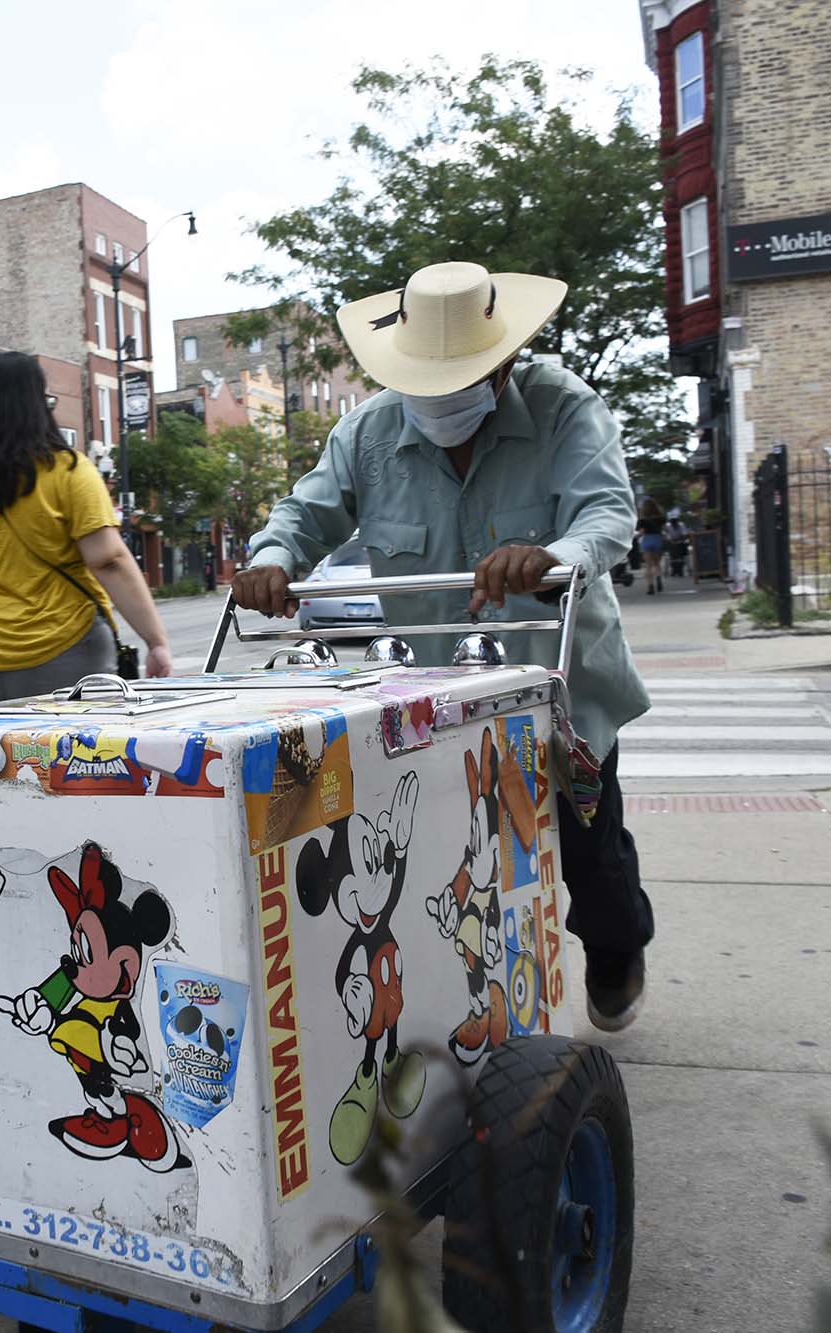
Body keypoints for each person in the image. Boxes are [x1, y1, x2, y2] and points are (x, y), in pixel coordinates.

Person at [230, 261, 654, 1032]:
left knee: (593, 859)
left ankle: (618, 945)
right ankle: (462, 997)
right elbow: (306, 510)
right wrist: (272, 559)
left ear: (505, 367)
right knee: (441, 862)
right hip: (433, 698)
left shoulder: (564, 408)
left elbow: (606, 512)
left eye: (460, 382)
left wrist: (553, 554)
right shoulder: (369, 433)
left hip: (558, 685)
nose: (439, 401)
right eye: (426, 383)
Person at [0, 351, 173, 705]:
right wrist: (155, 641)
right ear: (40, 404)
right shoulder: (69, 472)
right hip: (62, 648)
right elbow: (108, 560)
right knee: (75, 759)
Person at [636, 496, 668, 595]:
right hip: (657, 539)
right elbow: (664, 530)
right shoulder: (661, 518)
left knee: (648, 566)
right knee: (657, 564)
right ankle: (658, 579)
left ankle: (650, 587)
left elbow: (641, 532)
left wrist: (636, 537)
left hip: (647, 540)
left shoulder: (642, 520)